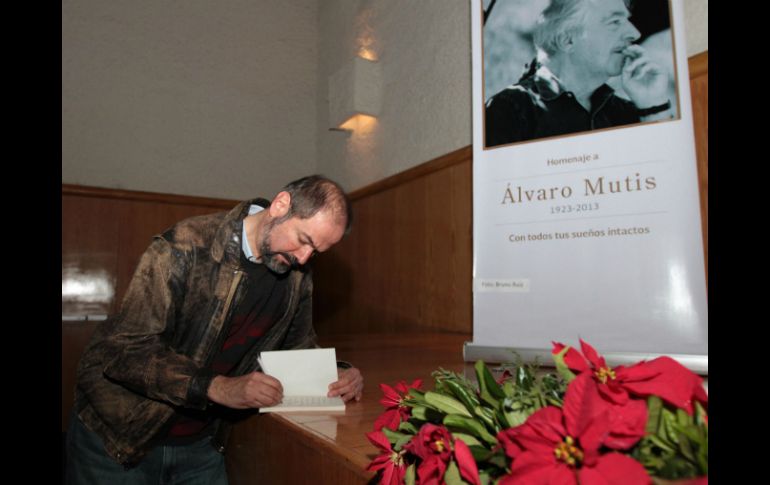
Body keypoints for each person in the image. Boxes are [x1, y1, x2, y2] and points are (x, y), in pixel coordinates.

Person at [65, 175, 364, 484]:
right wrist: (218, 387)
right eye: (304, 240)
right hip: (119, 437)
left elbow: (297, 348)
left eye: (315, 252)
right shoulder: (183, 247)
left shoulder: (297, 273)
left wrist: (338, 373)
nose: (303, 258)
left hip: (201, 443)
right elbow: (125, 351)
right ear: (280, 205)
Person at [485, 0, 673, 148]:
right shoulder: (510, 109)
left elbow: (665, 174)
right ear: (567, 40)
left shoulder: (628, 111)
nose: (635, 33)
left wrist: (653, 105)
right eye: (615, 22)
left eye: (627, 21)